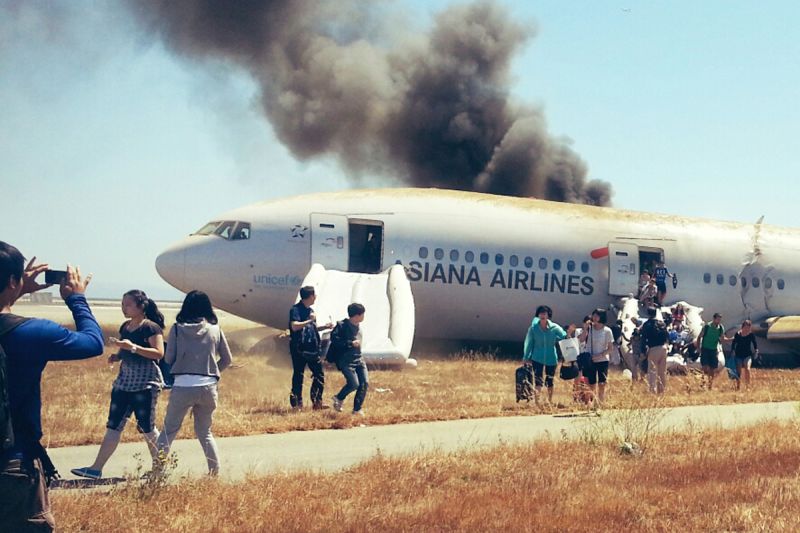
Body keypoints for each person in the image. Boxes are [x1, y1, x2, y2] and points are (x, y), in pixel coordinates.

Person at [0, 242, 104, 531]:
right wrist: (78, 299)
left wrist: (16, 289)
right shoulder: (32, 332)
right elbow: (93, 343)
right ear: (12, 280)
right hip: (13, 461)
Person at [71, 290, 165, 480]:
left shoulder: (151, 328)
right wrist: (118, 355)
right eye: (123, 304)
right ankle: (96, 468)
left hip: (145, 384)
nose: (124, 308)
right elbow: (127, 350)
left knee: (147, 427)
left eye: (128, 305)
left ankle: (159, 468)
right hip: (124, 382)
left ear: (141, 307)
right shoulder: (126, 327)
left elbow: (158, 353)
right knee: (113, 425)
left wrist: (133, 347)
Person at [157, 291, 232, 476]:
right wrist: (213, 374)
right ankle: (214, 473)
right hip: (208, 386)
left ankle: (157, 473)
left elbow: (168, 358)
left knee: (169, 431)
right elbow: (227, 359)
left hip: (183, 384)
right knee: (205, 432)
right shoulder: (215, 328)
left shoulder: (176, 329)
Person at [288, 286, 333, 410]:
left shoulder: (311, 310)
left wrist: (324, 327)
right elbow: (294, 326)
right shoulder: (295, 310)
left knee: (319, 374)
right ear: (310, 296)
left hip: (312, 348)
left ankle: (317, 402)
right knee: (299, 374)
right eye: (314, 295)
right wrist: (309, 320)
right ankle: (297, 404)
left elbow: (312, 328)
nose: (316, 297)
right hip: (299, 349)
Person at [523, 305, 574, 404]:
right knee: (538, 379)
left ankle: (549, 401)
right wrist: (526, 356)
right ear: (538, 315)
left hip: (551, 358)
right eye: (541, 313)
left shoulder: (554, 327)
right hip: (537, 357)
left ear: (548, 315)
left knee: (549, 380)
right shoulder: (533, 328)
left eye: (544, 313)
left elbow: (563, 336)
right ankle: (537, 402)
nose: (542, 315)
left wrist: (568, 333)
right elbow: (529, 342)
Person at [330, 303, 368, 415]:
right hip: (346, 361)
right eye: (362, 314)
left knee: (364, 383)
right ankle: (339, 398)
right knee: (353, 384)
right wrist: (350, 343)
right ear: (357, 315)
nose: (363, 316)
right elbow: (335, 340)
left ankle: (357, 409)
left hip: (359, 359)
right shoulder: (342, 326)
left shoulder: (359, 326)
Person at [579, 308, 614, 404]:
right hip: (589, 359)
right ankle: (590, 401)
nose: (594, 318)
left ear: (601, 317)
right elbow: (581, 340)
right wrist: (585, 328)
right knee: (591, 383)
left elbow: (610, 348)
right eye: (593, 315)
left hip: (602, 359)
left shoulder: (607, 331)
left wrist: (600, 355)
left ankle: (600, 402)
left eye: (596, 316)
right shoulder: (589, 328)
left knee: (602, 383)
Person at [696, 313, 729, 390]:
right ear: (714, 319)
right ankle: (702, 383)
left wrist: (732, 339)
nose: (718, 321)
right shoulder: (707, 326)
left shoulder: (720, 328)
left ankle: (710, 385)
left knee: (712, 368)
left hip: (713, 350)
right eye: (717, 319)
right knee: (705, 367)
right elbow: (699, 337)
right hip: (705, 349)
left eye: (720, 319)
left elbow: (722, 339)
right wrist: (698, 348)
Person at [640, 306, 669, 394]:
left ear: (648, 314)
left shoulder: (646, 324)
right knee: (662, 371)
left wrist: (643, 351)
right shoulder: (661, 323)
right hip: (663, 348)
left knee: (652, 371)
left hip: (653, 348)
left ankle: (652, 391)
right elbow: (667, 336)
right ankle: (662, 391)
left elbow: (643, 339)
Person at [730, 320, 758, 391]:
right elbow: (734, 343)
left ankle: (747, 386)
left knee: (747, 369)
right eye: (746, 327)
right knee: (738, 371)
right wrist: (733, 351)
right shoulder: (738, 334)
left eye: (748, 327)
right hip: (738, 355)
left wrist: (756, 351)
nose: (747, 329)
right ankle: (738, 386)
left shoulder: (751, 335)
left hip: (747, 355)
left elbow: (754, 343)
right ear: (743, 327)